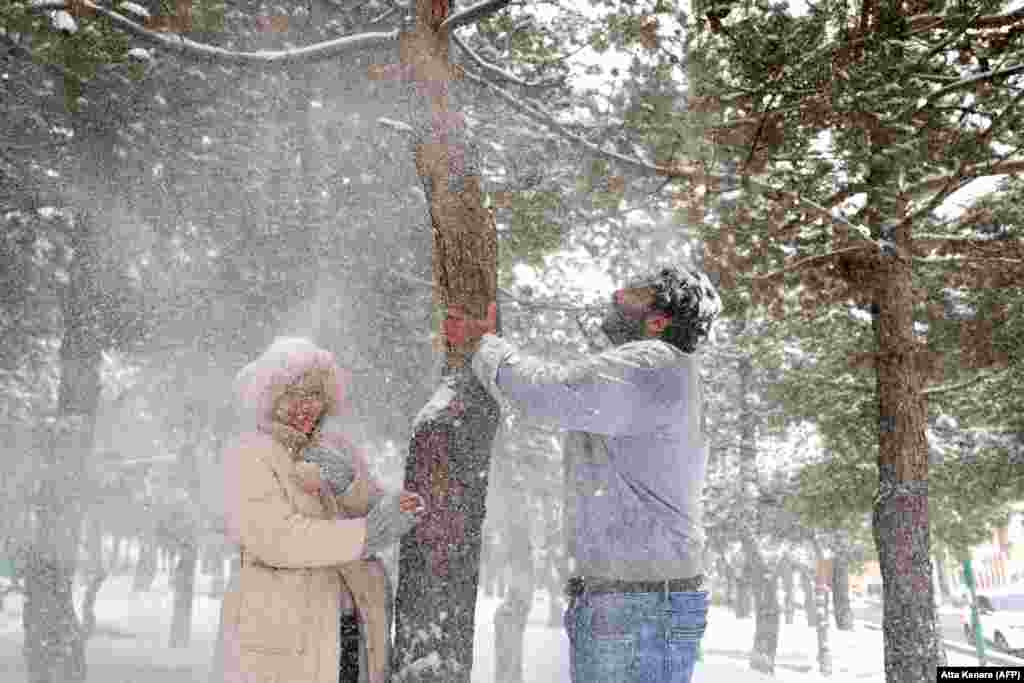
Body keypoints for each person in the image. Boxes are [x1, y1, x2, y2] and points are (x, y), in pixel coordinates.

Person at [446, 266, 722, 683]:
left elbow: (552, 393)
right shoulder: (667, 374)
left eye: (636, 293)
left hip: (636, 602)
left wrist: (484, 346)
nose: (617, 293)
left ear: (658, 321)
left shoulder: (652, 363)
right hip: (649, 595)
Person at [211, 337, 425, 683]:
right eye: (291, 395)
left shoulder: (334, 447)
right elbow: (278, 538)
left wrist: (354, 487)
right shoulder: (248, 453)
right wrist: (366, 534)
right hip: (285, 635)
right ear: (269, 398)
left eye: (313, 394)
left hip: (351, 629)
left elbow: (372, 507)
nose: (304, 405)